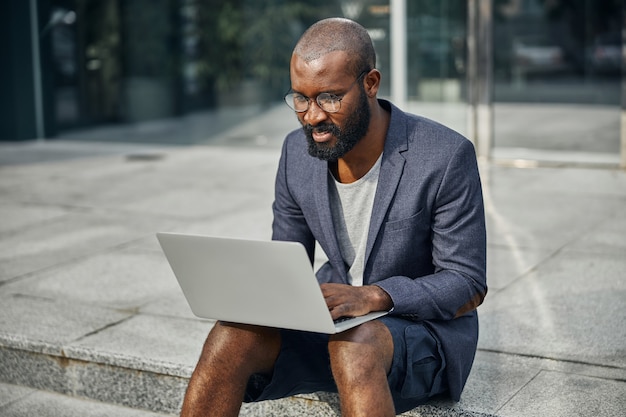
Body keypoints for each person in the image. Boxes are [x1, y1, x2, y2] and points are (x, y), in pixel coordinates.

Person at [180, 17, 487, 417]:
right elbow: (286, 261)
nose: (312, 116)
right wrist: (251, 293)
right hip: (335, 325)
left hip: (418, 334)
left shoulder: (444, 156)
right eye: (301, 98)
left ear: (370, 83)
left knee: (356, 346)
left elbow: (467, 282)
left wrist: (374, 295)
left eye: (328, 97)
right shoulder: (296, 154)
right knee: (228, 336)